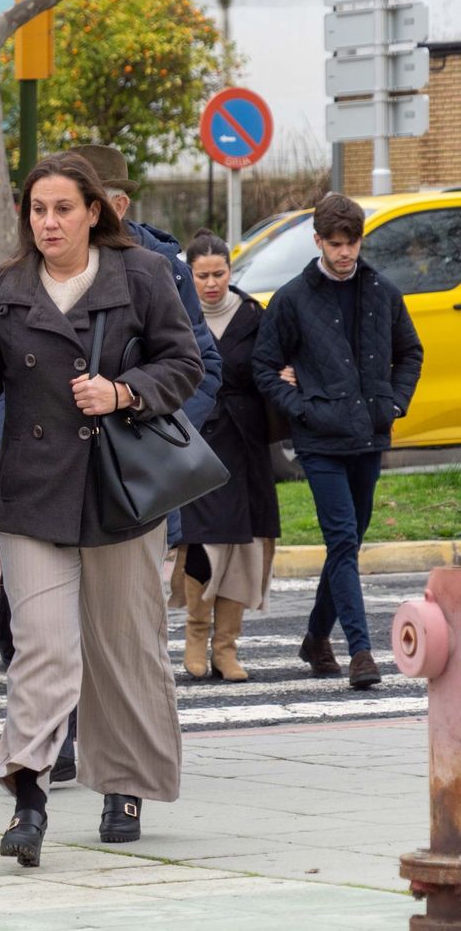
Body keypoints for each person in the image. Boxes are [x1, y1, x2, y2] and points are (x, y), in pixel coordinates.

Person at [0, 151, 203, 867]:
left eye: (63, 209)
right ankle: (30, 794)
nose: (48, 222)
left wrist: (124, 392)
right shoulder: (1, 287)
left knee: (124, 646)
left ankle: (124, 785)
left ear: (94, 212)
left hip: (119, 490)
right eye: (37, 210)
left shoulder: (143, 275)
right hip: (34, 492)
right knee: (42, 645)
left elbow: (185, 363)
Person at [253, 191, 423, 690]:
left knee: (346, 543)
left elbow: (410, 351)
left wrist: (395, 402)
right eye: (335, 243)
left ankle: (313, 637)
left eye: (351, 243)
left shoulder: (382, 291)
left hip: (369, 435)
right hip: (319, 440)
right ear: (318, 241)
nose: (344, 252)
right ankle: (362, 651)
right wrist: (300, 408)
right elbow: (263, 366)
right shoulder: (292, 298)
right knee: (343, 540)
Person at [173, 233, 281, 682]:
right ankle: (196, 638)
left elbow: (273, 363)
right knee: (203, 541)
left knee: (246, 546)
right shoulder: (175, 315)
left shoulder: (255, 315)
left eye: (220, 274)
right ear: (190, 274)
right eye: (203, 275)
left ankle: (226, 647)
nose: (212, 283)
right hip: (199, 441)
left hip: (246, 443)